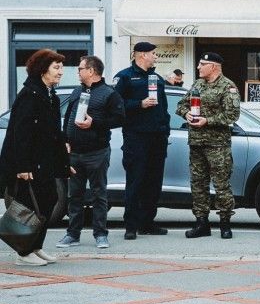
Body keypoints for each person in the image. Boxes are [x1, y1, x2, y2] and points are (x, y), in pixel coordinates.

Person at [0, 49, 68, 266]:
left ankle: (36, 246)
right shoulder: (29, 95)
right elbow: (19, 134)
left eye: (61, 67)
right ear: (42, 69)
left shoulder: (50, 96)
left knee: (49, 201)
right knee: (30, 206)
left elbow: (55, 134)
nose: (61, 72)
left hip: (45, 162)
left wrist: (65, 164)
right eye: (56, 67)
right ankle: (23, 252)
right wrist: (22, 165)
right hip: (29, 164)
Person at [57, 55, 124, 250]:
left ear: (91, 71)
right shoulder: (77, 91)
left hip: (97, 152)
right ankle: (72, 234)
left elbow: (120, 119)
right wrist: (66, 141)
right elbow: (69, 116)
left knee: (98, 195)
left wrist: (94, 122)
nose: (77, 72)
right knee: (74, 195)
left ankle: (100, 234)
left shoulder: (109, 94)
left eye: (80, 69)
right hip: (74, 153)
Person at [176, 53, 241, 239]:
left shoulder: (227, 87)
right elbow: (181, 105)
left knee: (221, 185)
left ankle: (225, 224)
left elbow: (232, 115)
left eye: (202, 64)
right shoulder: (197, 84)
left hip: (217, 145)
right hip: (196, 142)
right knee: (198, 185)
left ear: (213, 66)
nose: (198, 67)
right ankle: (201, 223)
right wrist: (186, 114)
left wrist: (208, 120)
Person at [113, 41, 170, 240]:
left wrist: (166, 131)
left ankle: (147, 222)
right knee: (136, 181)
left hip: (157, 138)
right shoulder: (125, 76)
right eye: (154, 53)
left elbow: (163, 107)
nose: (156, 56)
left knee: (153, 183)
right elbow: (115, 104)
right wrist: (139, 104)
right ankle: (131, 225)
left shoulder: (157, 78)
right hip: (136, 138)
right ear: (142, 55)